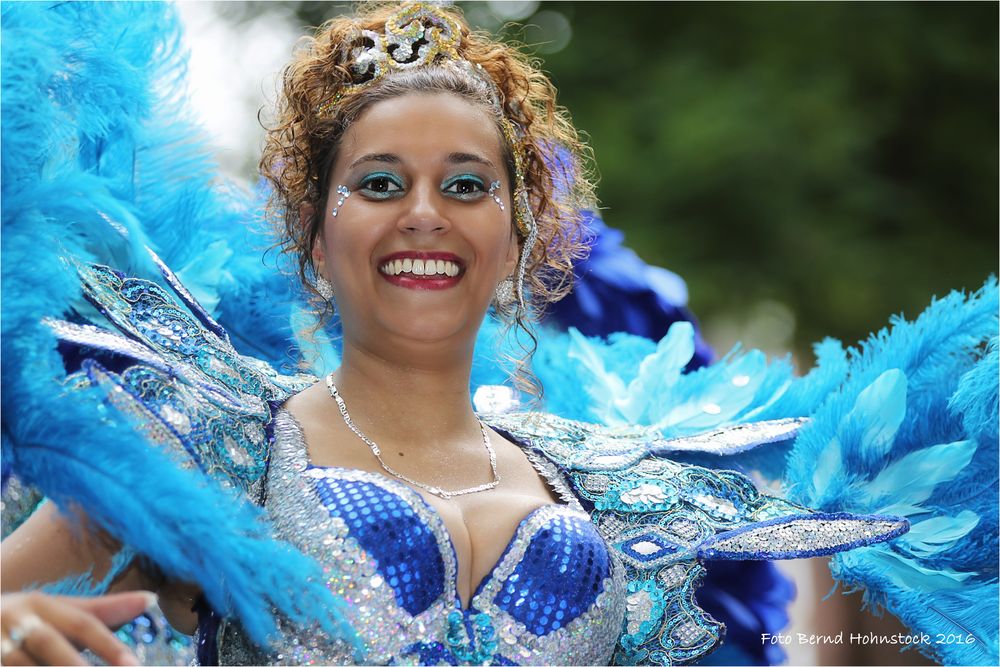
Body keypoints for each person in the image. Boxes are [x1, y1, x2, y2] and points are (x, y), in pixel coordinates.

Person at [1, 3, 995, 666]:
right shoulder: (203, 440)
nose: (424, 214)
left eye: (467, 185)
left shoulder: (615, 491)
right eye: (379, 182)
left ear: (521, 231)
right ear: (313, 227)